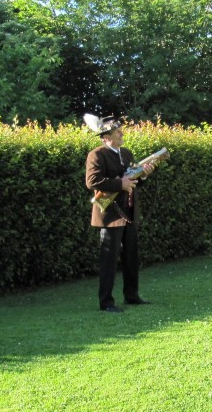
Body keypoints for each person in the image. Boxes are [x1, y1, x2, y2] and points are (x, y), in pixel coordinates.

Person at [85, 115, 154, 313]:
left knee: (131, 257)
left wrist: (144, 175)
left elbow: (133, 182)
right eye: (117, 132)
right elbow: (92, 181)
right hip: (110, 214)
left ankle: (132, 295)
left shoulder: (126, 153)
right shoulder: (96, 155)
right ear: (106, 137)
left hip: (129, 212)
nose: (122, 134)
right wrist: (119, 183)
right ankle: (106, 302)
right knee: (108, 260)